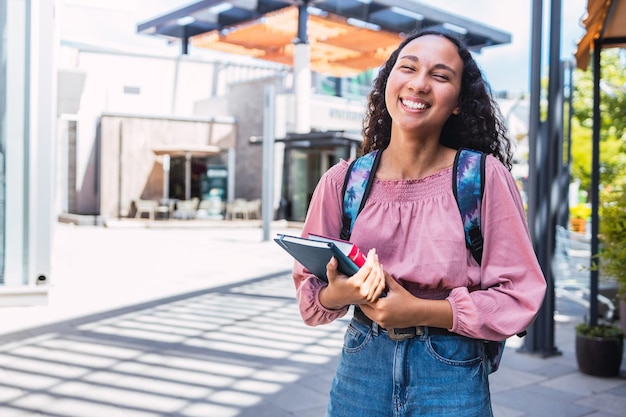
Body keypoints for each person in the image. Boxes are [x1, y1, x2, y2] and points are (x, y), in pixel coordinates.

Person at [291, 27, 547, 417]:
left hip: (449, 370)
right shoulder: (343, 181)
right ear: (388, 82)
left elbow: (519, 294)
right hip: (361, 366)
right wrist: (342, 293)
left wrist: (420, 311)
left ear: (459, 101)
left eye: (440, 76)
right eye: (407, 68)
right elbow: (312, 296)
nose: (419, 84)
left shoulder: (482, 177)